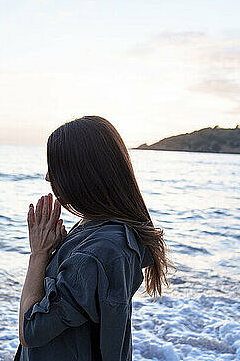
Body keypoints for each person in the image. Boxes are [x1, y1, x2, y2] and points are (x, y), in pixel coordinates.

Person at [16, 115, 171, 361]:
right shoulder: (111, 230)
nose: (47, 177)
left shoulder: (96, 251)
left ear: (81, 172)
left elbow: (30, 331)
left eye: (55, 167)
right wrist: (59, 251)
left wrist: (39, 254)